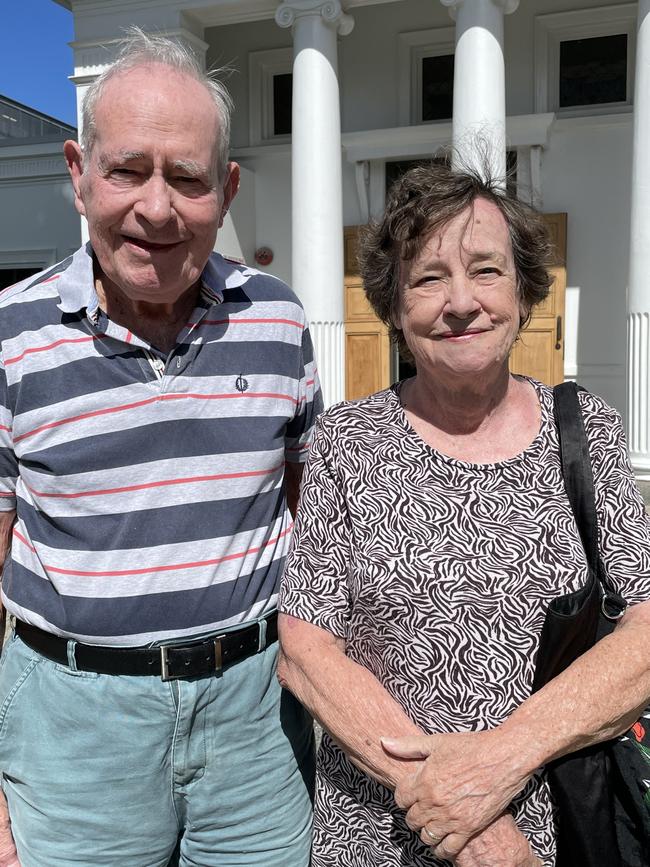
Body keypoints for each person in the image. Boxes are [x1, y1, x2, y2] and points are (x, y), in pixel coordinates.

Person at [0, 29, 321, 867]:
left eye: (187, 177)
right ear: (78, 173)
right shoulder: (9, 339)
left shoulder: (279, 321)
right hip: (75, 732)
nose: (156, 207)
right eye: (127, 170)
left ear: (227, 188)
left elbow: (315, 518)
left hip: (256, 722)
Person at [277, 162, 650, 866]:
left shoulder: (587, 430)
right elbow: (305, 651)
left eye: (486, 270)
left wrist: (496, 765)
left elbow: (645, 632)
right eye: (427, 278)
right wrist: (464, 815)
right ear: (392, 305)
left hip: (557, 829)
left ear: (523, 289)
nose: (460, 302)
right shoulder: (347, 443)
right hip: (380, 832)